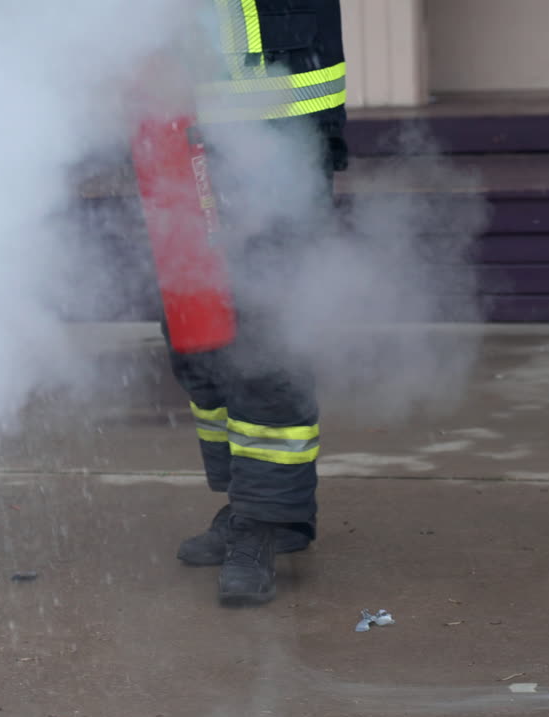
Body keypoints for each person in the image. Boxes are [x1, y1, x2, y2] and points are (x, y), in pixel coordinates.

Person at [162, 0, 348, 605]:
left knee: (265, 336)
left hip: (279, 133)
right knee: (196, 334)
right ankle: (243, 501)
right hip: (178, 130)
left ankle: (268, 520)